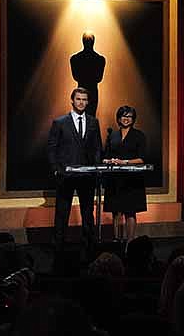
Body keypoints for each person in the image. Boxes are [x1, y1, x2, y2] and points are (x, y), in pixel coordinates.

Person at [47, 87, 101, 252]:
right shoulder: (60, 122)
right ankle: (58, 246)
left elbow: (97, 147)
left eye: (84, 99)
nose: (82, 102)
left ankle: (89, 246)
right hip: (66, 174)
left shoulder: (93, 122)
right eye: (78, 99)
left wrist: (96, 168)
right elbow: (51, 148)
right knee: (62, 212)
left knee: (87, 212)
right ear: (72, 100)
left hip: (87, 175)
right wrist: (56, 169)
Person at [102, 105, 147, 243]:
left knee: (130, 211)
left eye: (129, 116)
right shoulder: (112, 135)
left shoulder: (139, 135)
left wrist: (124, 162)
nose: (126, 119)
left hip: (132, 179)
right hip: (115, 178)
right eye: (123, 116)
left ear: (133, 119)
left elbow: (142, 159)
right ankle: (117, 241)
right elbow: (105, 156)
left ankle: (130, 243)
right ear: (118, 118)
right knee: (115, 210)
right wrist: (109, 160)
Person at [70, 32, 106, 117]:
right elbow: (98, 78)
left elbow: (76, 77)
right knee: (89, 117)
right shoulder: (100, 59)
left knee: (81, 117)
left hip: (82, 90)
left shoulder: (75, 58)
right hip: (92, 91)